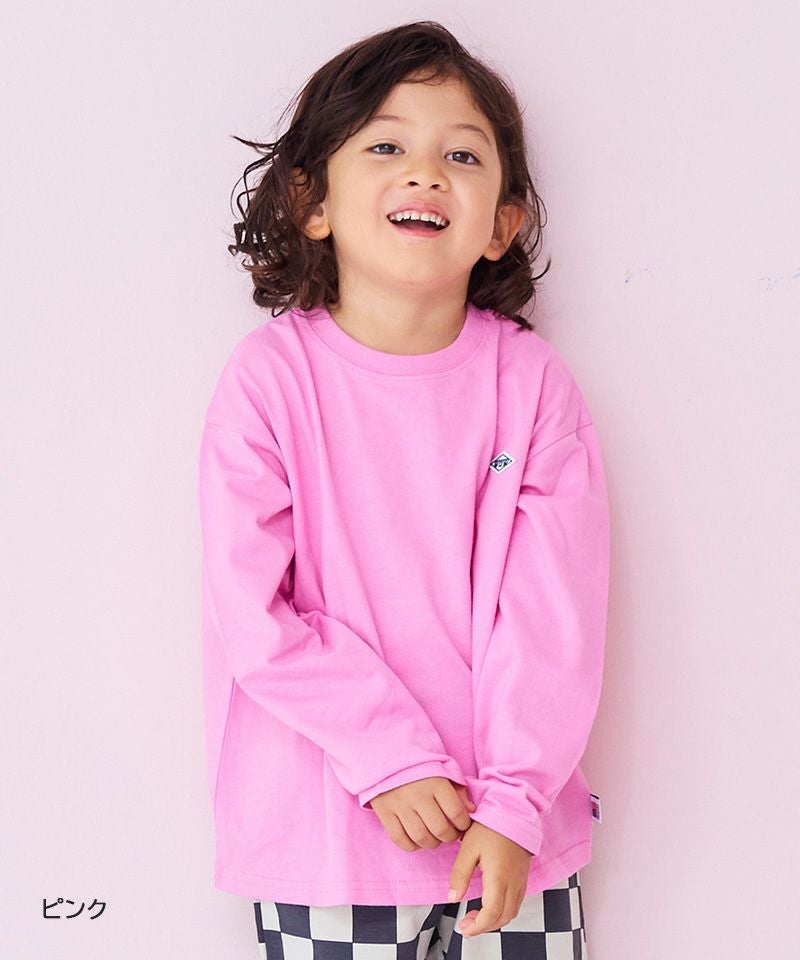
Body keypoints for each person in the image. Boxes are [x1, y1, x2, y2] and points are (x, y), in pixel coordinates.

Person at [197, 19, 610, 960]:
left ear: (502, 223)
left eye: (462, 155)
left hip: (509, 844)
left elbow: (557, 619)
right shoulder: (268, 382)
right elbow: (252, 612)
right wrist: (389, 756)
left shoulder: (532, 386)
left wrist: (514, 802)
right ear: (311, 201)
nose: (425, 173)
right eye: (385, 146)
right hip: (325, 842)